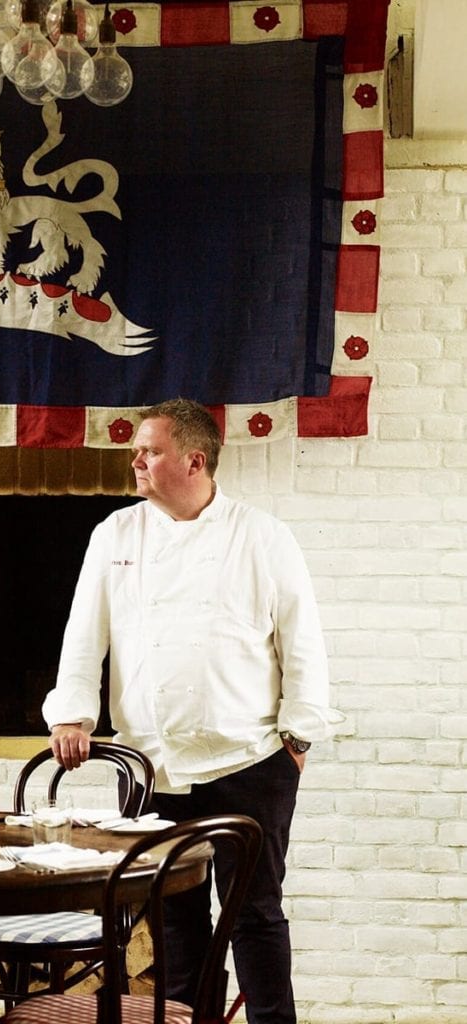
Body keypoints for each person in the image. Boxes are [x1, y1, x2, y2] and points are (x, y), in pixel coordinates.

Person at [43, 397, 342, 1024]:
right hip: (151, 765)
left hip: (250, 760)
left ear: (194, 460)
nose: (136, 460)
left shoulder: (263, 536)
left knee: (254, 914)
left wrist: (299, 737)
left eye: (149, 451)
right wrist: (71, 714)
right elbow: (83, 633)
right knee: (174, 919)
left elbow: (302, 641)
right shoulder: (114, 535)